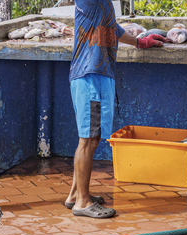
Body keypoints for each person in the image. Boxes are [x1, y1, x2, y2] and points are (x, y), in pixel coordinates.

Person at [64, 1, 165, 218]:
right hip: (89, 77)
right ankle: (83, 202)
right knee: (88, 139)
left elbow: (113, 29)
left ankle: (75, 195)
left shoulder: (104, 5)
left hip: (100, 76)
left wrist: (139, 42)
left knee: (93, 137)